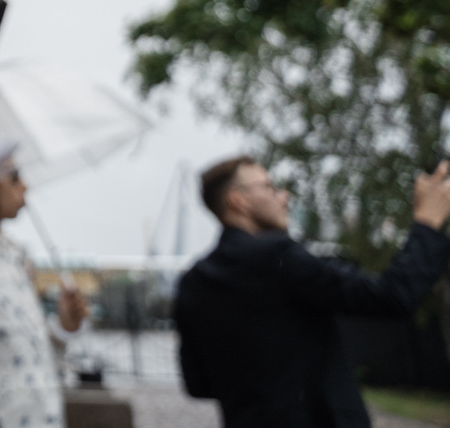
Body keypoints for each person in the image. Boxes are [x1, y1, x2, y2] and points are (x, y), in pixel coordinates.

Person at [173, 155, 450, 428]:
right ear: (238, 200)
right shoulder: (278, 256)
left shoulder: (193, 282)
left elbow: (198, 384)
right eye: (269, 187)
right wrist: (427, 223)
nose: (284, 196)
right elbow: (390, 296)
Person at [0, 135, 87, 428]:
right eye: (13, 176)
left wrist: (64, 328)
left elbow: (19, 356)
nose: (24, 185)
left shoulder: (10, 257)